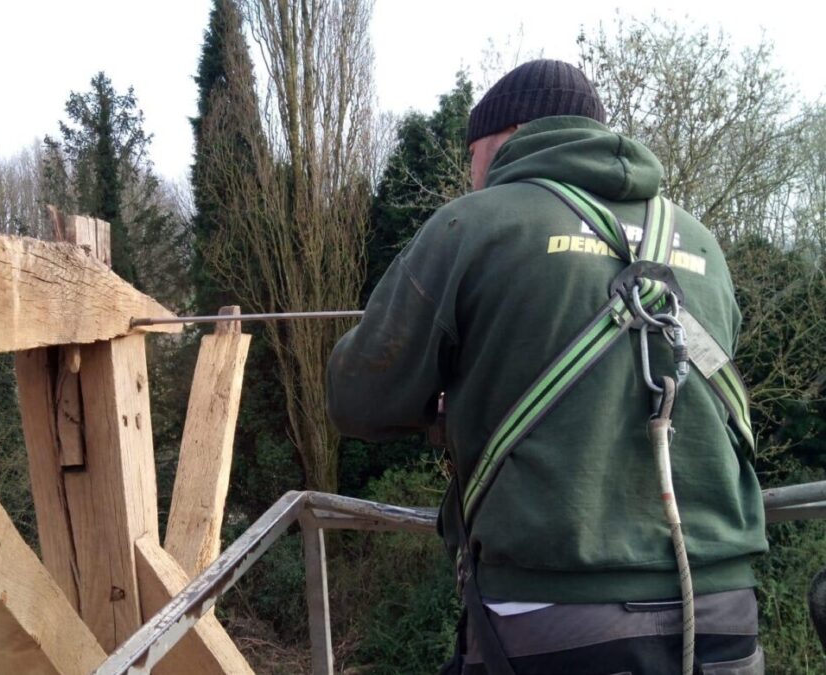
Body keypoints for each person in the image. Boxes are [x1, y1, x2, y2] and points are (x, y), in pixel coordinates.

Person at [326, 59, 767, 674]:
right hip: (724, 611)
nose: (472, 173)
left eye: (472, 154)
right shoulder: (700, 243)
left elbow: (359, 400)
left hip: (550, 618)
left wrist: (451, 400)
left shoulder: (474, 222)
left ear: (507, 135)